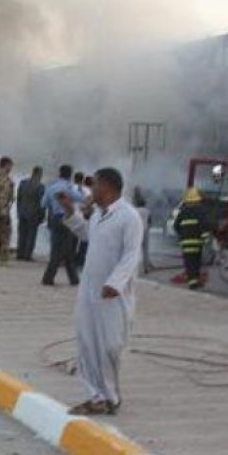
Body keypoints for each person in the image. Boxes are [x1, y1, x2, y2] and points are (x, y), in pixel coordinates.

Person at [57, 167, 142, 416]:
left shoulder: (129, 217)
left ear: (107, 187)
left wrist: (115, 283)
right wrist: (70, 212)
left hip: (114, 295)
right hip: (89, 290)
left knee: (110, 346)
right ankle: (96, 397)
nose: (90, 189)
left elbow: (132, 255)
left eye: (94, 184)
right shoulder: (97, 215)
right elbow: (87, 235)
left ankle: (111, 396)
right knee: (87, 343)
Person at [41, 165, 83, 286]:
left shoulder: (51, 187)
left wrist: (53, 205)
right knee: (66, 248)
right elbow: (80, 198)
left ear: (59, 173)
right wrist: (80, 189)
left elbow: (43, 204)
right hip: (66, 218)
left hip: (54, 218)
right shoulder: (68, 187)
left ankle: (71, 278)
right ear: (70, 175)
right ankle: (51, 277)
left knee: (58, 247)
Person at [174, 188, 210, 289]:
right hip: (197, 242)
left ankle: (192, 283)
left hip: (185, 242)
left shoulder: (182, 212)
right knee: (196, 261)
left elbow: (176, 226)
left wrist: (182, 235)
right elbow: (204, 225)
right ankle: (195, 281)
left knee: (189, 262)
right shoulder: (200, 211)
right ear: (196, 200)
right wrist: (206, 238)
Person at [16, 166, 45, 261]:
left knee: (22, 234)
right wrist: (42, 216)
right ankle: (27, 255)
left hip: (22, 212)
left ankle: (20, 253)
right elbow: (41, 203)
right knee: (31, 235)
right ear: (39, 174)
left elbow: (19, 198)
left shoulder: (23, 183)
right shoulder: (40, 186)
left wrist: (18, 211)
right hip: (34, 214)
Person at [133, 187, 155, 274]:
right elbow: (150, 222)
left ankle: (134, 269)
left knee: (135, 250)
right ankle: (146, 268)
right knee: (145, 250)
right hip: (146, 231)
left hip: (137, 231)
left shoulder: (134, 211)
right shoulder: (147, 211)